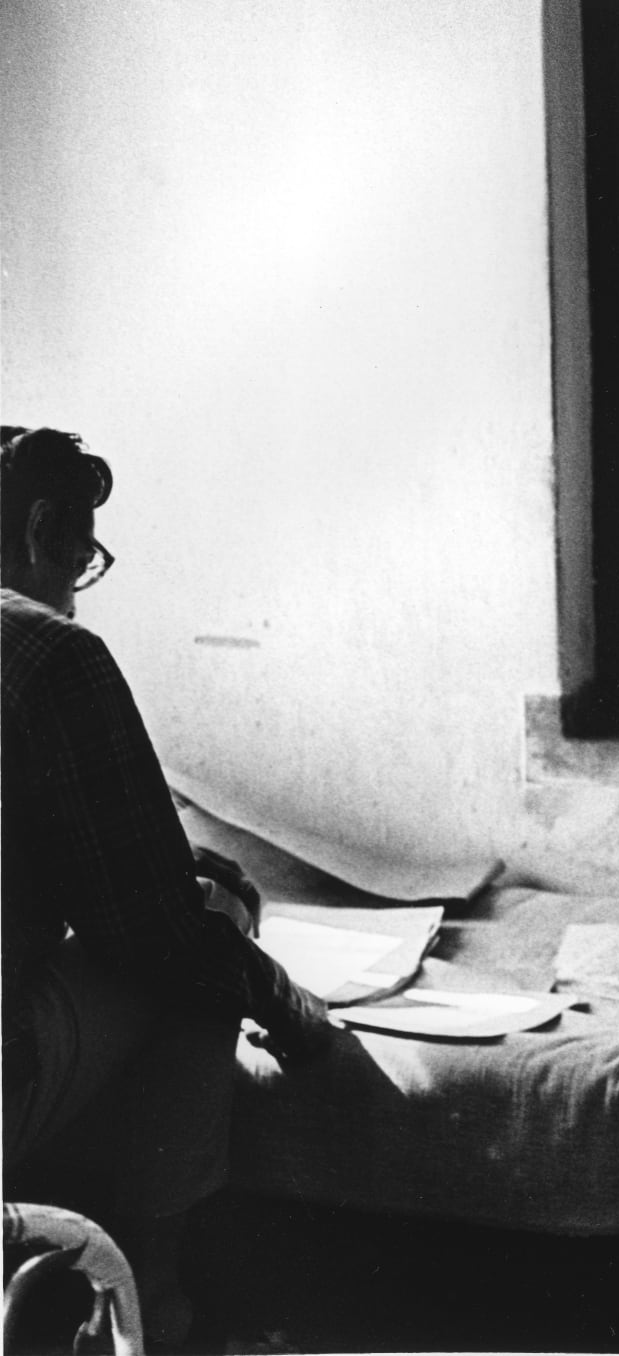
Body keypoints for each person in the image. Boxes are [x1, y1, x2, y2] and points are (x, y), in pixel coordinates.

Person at [1, 426, 335, 1346]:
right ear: (42, 531)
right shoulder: (49, 650)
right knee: (208, 922)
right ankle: (157, 1295)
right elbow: (161, 935)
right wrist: (294, 1012)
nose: (77, 584)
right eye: (83, 557)